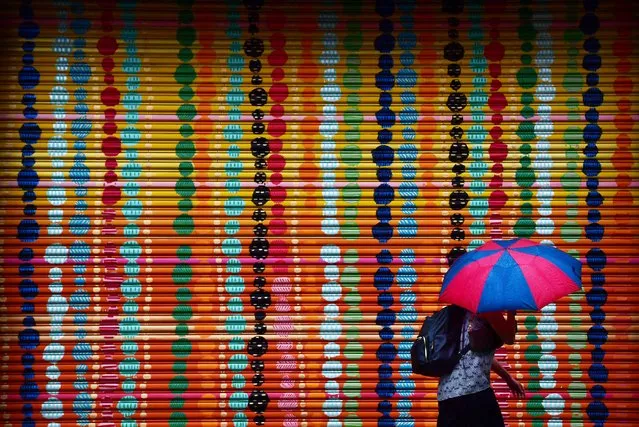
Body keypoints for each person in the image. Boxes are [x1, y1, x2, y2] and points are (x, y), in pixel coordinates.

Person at [437, 310, 525, 427]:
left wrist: (508, 378)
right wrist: (511, 311)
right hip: (473, 392)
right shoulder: (487, 309)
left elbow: (475, 354)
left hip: (447, 395)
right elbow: (509, 338)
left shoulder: (458, 313)